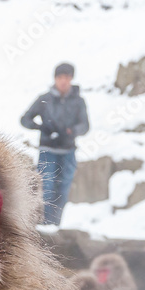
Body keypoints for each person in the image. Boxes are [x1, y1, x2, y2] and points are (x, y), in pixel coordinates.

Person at [21, 63, 89, 226]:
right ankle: (41, 225)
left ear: (71, 79)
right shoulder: (44, 99)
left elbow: (85, 126)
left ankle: (54, 226)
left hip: (68, 151)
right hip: (48, 150)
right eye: (60, 77)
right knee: (46, 187)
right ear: (55, 79)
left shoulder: (78, 101)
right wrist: (40, 127)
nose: (63, 81)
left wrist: (72, 131)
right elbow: (25, 119)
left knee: (63, 190)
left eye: (66, 77)